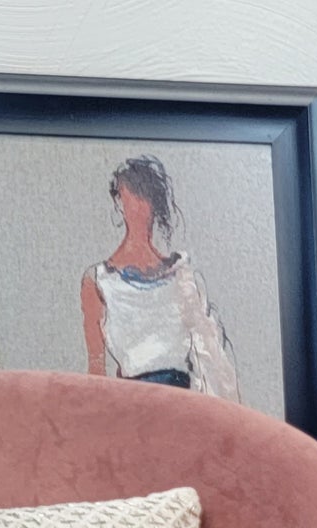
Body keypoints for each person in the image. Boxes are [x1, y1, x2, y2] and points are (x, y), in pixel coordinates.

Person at [81, 156, 243, 402]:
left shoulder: (184, 278)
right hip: (132, 407)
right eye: (131, 195)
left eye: (145, 196)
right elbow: (96, 370)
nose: (138, 206)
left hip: (185, 406)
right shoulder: (98, 281)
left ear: (156, 204)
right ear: (118, 201)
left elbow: (212, 362)